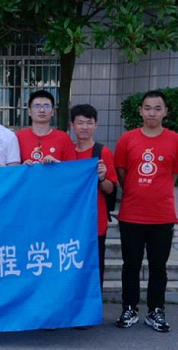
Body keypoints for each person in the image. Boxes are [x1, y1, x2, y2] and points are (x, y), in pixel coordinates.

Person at [114, 91, 178, 332]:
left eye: (157, 108)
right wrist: (136, 191)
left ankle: (156, 310)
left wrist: (157, 193)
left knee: (158, 266)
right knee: (131, 264)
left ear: (166, 111)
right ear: (140, 111)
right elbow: (122, 172)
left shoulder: (176, 141)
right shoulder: (127, 139)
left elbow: (172, 175)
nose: (152, 113)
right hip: (131, 214)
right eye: (147, 108)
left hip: (162, 216)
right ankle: (129, 308)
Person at [70, 104, 118, 287]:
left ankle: (94, 302)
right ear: (72, 125)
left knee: (95, 266)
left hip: (95, 220)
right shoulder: (68, 152)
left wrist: (102, 177)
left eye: (89, 123)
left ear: (96, 125)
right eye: (80, 123)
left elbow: (110, 188)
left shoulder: (102, 152)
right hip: (72, 221)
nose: (84, 127)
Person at [17, 90, 75, 165]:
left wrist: (58, 164)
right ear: (29, 111)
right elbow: (10, 168)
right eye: (37, 106)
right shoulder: (18, 137)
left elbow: (72, 168)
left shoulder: (64, 138)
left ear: (53, 111)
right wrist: (22, 167)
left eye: (47, 106)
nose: (42, 110)